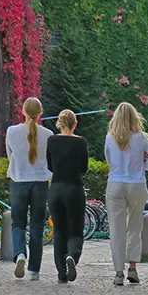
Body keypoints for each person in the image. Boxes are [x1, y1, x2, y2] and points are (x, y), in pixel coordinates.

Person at [104, 102, 148, 286]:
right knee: (135, 227)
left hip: (116, 183)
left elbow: (109, 161)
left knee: (116, 230)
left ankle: (118, 272)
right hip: (137, 184)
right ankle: (133, 267)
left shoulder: (110, 137)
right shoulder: (142, 138)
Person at [6, 97, 53, 281]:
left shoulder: (11, 132)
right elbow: (49, 160)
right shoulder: (48, 134)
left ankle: (20, 254)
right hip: (40, 183)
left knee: (18, 223)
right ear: (40, 113)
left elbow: (10, 155)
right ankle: (34, 270)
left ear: (23, 111)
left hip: (19, 181)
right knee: (37, 225)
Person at [46, 109, 89, 283]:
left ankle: (61, 273)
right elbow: (84, 167)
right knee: (75, 230)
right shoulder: (80, 143)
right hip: (74, 188)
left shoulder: (52, 141)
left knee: (59, 232)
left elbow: (49, 165)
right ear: (75, 124)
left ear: (60, 123)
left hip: (56, 188)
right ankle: (72, 255)